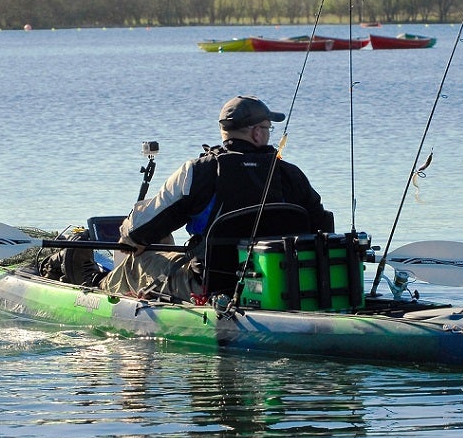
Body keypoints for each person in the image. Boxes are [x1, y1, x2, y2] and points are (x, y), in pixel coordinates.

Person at [98, 95, 332, 302]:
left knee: (138, 260)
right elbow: (323, 229)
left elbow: (139, 231)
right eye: (268, 128)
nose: (269, 134)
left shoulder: (199, 171)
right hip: (285, 283)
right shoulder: (291, 174)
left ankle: (94, 287)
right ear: (256, 133)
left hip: (211, 286)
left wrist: (128, 233)